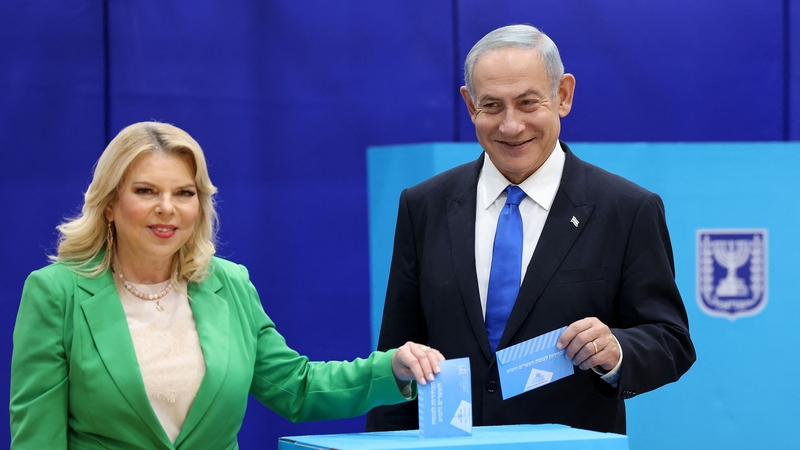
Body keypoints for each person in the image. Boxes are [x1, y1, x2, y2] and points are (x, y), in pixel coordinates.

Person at [10, 121, 444, 449]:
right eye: (145, 191)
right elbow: (37, 438)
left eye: (184, 193)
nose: (167, 209)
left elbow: (297, 388)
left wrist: (391, 368)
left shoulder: (229, 283)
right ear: (108, 205)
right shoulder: (57, 293)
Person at [366, 24, 695, 434]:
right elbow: (399, 355)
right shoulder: (423, 205)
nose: (510, 125)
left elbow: (670, 340)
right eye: (491, 106)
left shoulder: (626, 209)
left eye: (527, 102)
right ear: (469, 104)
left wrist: (616, 350)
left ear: (563, 95)